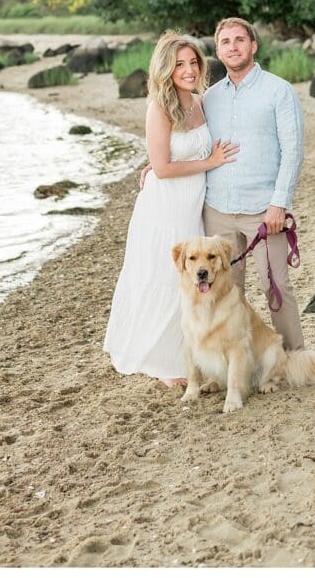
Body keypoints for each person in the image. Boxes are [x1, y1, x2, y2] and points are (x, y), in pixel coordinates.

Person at [103, 31, 238, 387]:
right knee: (164, 280)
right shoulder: (160, 108)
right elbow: (162, 169)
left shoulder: (201, 102)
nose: (189, 70)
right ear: (166, 69)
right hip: (164, 207)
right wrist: (209, 161)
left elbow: (178, 155)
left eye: (193, 62)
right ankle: (166, 362)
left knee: (191, 283)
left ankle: (192, 356)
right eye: (180, 64)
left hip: (193, 205)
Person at [203, 17, 306, 351]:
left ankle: (294, 359)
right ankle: (234, 363)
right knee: (223, 292)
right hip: (217, 210)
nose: (233, 47)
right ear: (218, 51)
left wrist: (279, 204)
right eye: (226, 42)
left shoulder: (279, 90)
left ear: (253, 46)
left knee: (275, 287)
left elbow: (293, 150)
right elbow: (192, 143)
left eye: (240, 40)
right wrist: (154, 164)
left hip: (264, 210)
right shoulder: (209, 98)